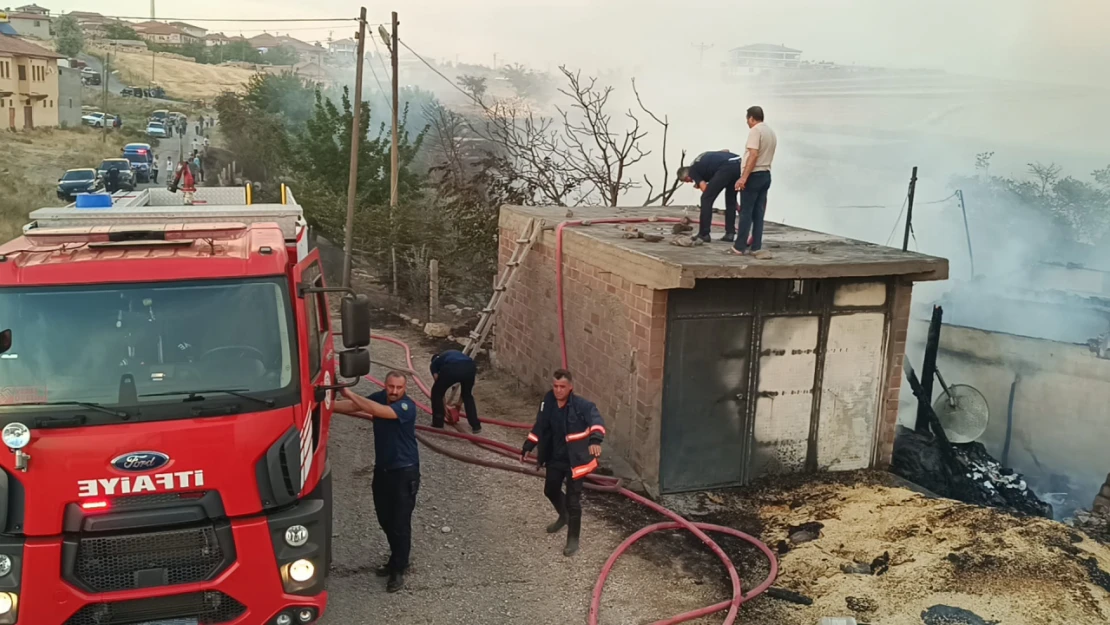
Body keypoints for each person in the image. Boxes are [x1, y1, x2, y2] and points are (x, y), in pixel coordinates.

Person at [333, 372, 420, 593]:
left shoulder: (406, 407)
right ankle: (395, 558)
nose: (393, 391)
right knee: (385, 519)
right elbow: (354, 407)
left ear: (405, 388)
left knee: (400, 523)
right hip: (383, 470)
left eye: (398, 388)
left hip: (404, 472)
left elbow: (376, 411)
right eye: (390, 386)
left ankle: (399, 568)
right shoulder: (380, 397)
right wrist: (327, 406)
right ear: (385, 385)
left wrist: (349, 392)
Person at [520, 369, 605, 557]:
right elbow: (540, 425)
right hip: (555, 458)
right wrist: (528, 445)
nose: (558, 390)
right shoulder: (547, 402)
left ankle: (573, 539)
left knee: (573, 501)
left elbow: (596, 421)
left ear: (570, 387)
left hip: (576, 461)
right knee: (550, 489)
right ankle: (563, 516)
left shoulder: (582, 406)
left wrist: (595, 440)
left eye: (562, 387)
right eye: (555, 386)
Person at [731, 106, 778, 258]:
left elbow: (753, 154)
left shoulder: (755, 131)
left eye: (748, 119)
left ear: (751, 118)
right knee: (759, 212)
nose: (747, 122)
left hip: (754, 175)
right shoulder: (770, 132)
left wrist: (744, 177)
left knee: (746, 212)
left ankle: (739, 246)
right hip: (766, 174)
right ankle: (756, 246)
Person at [676, 150, 742, 243]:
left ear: (687, 175)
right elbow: (725, 150)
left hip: (725, 167)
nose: (691, 182)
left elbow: (706, 189)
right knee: (731, 199)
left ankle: (704, 234)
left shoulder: (693, 170)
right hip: (738, 163)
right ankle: (730, 233)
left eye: (688, 180)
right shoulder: (700, 163)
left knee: (706, 199)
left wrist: (700, 184)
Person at [429, 349, 481, 433]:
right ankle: (476, 425)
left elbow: (439, 389)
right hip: (470, 367)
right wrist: (458, 404)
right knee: (467, 395)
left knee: (436, 393)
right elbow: (465, 392)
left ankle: (438, 422)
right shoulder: (451, 354)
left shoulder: (434, 364)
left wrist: (443, 407)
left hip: (452, 367)